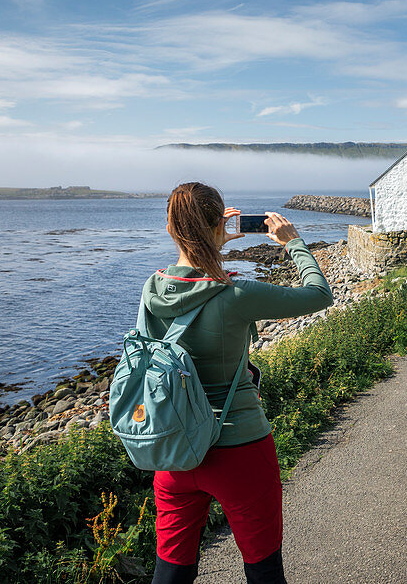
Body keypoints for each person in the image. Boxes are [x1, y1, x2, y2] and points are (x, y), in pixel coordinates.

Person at [142, 182, 333, 584]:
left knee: (171, 573)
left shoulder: (152, 289)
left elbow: (190, 284)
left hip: (174, 449)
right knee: (264, 572)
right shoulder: (236, 292)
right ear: (218, 226)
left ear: (170, 229)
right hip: (239, 449)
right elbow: (318, 295)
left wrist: (210, 243)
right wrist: (293, 243)